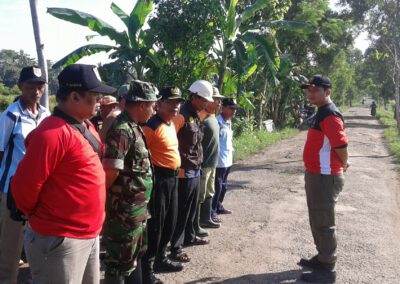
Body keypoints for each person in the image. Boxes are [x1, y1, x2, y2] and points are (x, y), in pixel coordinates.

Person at [11, 64, 115, 283]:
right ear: (75, 96)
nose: (100, 102)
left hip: (87, 234)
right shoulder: (51, 133)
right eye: (95, 96)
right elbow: (24, 187)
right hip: (60, 239)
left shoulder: (85, 125)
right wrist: (41, 219)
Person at [102, 80, 158, 284]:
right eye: (152, 105)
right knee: (118, 263)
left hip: (136, 211)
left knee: (134, 257)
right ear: (142, 105)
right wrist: (105, 207)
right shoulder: (123, 130)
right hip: (123, 213)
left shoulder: (134, 127)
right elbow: (109, 172)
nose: (154, 110)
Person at [0, 66, 50, 284]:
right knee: (10, 247)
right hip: (12, 191)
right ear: (20, 86)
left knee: (39, 243)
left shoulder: (46, 114)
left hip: (39, 191)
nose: (36, 92)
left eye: (40, 87)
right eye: (30, 87)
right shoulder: (10, 115)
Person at [298, 75, 349, 283]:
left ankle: (327, 268)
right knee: (317, 219)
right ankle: (323, 257)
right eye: (308, 90)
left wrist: (343, 165)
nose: (310, 93)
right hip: (317, 174)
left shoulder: (330, 115)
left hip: (324, 176)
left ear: (327, 92)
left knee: (324, 222)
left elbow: (341, 146)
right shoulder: (322, 112)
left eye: (314, 90)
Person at [141, 86, 185, 283]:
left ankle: (161, 258)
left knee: (170, 221)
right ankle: (147, 270)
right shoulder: (151, 126)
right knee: (155, 225)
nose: (176, 106)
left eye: (178, 102)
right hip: (158, 180)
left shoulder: (169, 124)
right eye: (172, 101)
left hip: (172, 179)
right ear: (159, 104)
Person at [169, 80, 213, 263]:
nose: (206, 103)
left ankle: (190, 236)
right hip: (183, 172)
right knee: (181, 212)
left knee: (191, 209)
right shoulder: (181, 116)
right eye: (203, 100)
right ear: (194, 97)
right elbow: (171, 142)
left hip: (195, 169)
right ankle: (175, 248)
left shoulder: (195, 115)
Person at [197, 87, 224, 230]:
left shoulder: (213, 117)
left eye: (219, 100)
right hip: (204, 162)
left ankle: (206, 218)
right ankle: (196, 223)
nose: (219, 103)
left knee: (209, 191)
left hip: (212, 163)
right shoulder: (202, 116)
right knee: (200, 194)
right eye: (216, 99)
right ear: (207, 101)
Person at [211, 97, 237, 223]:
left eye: (235, 109)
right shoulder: (217, 122)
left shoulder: (228, 121)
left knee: (224, 186)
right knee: (217, 187)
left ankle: (219, 206)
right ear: (223, 108)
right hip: (219, 161)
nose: (234, 112)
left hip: (228, 159)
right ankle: (212, 211)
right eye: (231, 109)